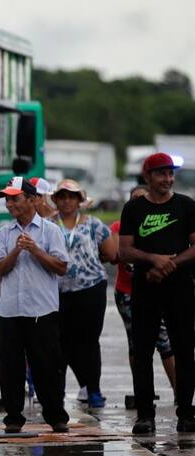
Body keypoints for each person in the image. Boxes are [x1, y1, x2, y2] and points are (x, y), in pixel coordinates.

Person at [119, 152, 195, 434]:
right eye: (161, 174)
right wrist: (153, 259)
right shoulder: (134, 208)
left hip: (180, 286)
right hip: (145, 285)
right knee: (142, 351)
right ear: (147, 176)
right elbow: (124, 250)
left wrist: (169, 264)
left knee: (184, 349)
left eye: (171, 174)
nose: (168, 179)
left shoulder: (185, 205)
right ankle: (145, 415)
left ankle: (186, 412)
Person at [0, 177, 70, 433]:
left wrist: (35, 250)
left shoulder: (50, 231)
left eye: (15, 198)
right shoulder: (5, 233)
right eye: (7, 199)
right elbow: (0, 269)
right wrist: (16, 251)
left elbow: (61, 267)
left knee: (47, 364)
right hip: (10, 309)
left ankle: (56, 416)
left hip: (41, 310)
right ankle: (14, 417)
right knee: (10, 367)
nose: (9, 204)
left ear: (33, 199)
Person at [50, 179, 116, 410]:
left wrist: (90, 260)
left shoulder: (93, 224)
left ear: (79, 200)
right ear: (56, 200)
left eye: (72, 196)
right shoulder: (49, 225)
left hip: (90, 288)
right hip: (58, 291)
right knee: (60, 343)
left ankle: (94, 389)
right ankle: (59, 392)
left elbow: (111, 253)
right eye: (62, 197)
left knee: (89, 342)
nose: (67, 201)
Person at [111, 185, 176, 405]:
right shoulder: (120, 225)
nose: (139, 203)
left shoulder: (160, 223)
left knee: (165, 341)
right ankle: (142, 392)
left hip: (160, 289)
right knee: (137, 343)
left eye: (142, 198)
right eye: (134, 199)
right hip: (127, 292)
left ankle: (180, 392)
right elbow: (116, 253)